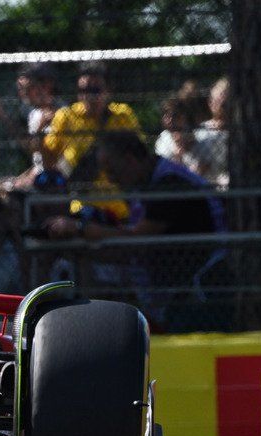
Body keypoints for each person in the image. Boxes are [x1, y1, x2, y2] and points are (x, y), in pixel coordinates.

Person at [44, 130, 227, 332]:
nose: (113, 180)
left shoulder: (169, 183)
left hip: (200, 292)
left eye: (113, 172)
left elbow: (136, 240)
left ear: (130, 160)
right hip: (173, 290)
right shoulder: (145, 184)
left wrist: (80, 228)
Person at [42, 62, 141, 222]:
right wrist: (40, 133)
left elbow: (138, 157)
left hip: (121, 207)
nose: (88, 96)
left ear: (108, 91)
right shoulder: (67, 117)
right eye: (83, 90)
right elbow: (49, 161)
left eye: (95, 90)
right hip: (82, 208)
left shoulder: (123, 116)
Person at [0, 62, 63, 191]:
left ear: (46, 86)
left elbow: (49, 159)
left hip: (55, 178)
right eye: (21, 89)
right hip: (39, 173)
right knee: (1, 186)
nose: (23, 94)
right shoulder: (35, 114)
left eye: (27, 89)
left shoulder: (61, 113)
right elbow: (35, 155)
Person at [194, 77, 230, 187]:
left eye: (224, 98)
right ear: (210, 102)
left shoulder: (240, 131)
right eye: (217, 99)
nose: (220, 103)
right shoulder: (200, 131)